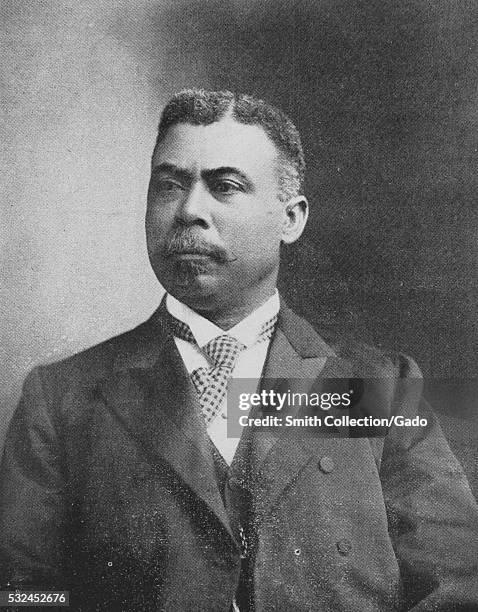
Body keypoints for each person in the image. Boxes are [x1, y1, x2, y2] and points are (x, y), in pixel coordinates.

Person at [0, 89, 477, 612]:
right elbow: (21, 591)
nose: (188, 211)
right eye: (169, 185)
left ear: (290, 219)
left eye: (224, 187)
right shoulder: (64, 398)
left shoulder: (377, 390)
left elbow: (458, 584)